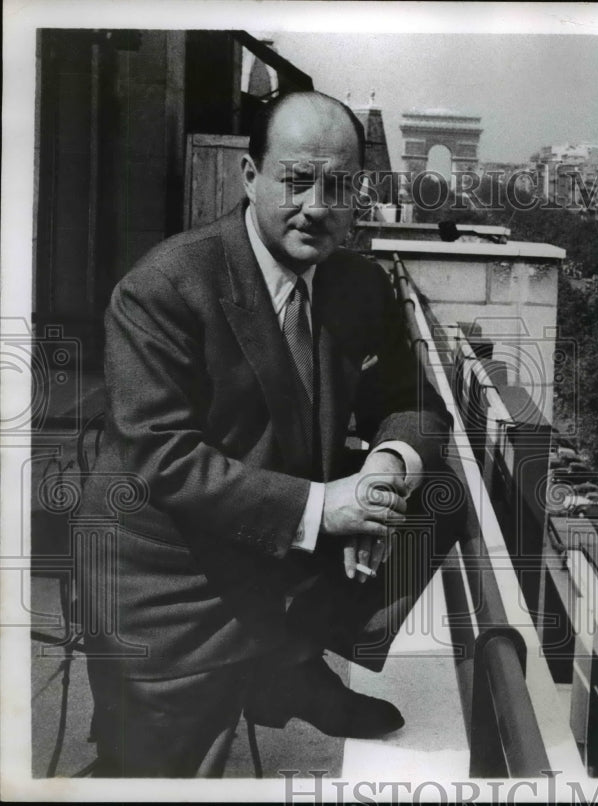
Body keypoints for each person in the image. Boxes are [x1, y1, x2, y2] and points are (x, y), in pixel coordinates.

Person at [78, 91, 453, 777]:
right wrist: (324, 508)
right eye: (296, 179)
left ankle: (287, 663)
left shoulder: (359, 286)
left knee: (439, 494)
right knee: (145, 779)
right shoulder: (163, 285)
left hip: (273, 550)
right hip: (170, 576)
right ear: (249, 177)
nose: (317, 205)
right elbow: (166, 459)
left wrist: (384, 473)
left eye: (338, 186)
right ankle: (272, 667)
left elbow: (415, 404)